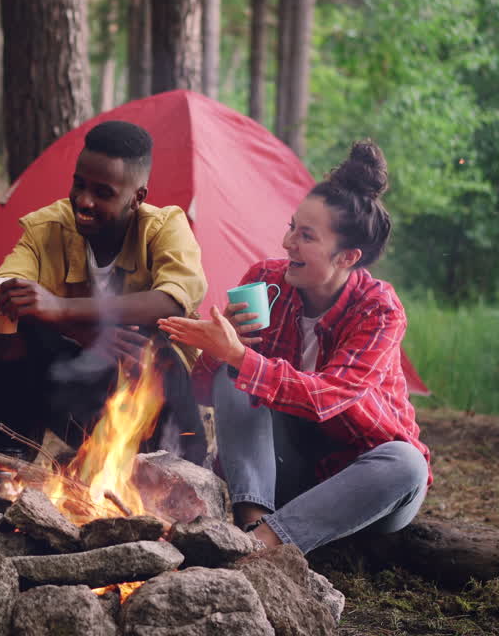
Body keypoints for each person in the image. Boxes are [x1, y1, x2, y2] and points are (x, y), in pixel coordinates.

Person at [158, 139, 431, 554]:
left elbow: (327, 397)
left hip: (361, 480)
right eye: (291, 227)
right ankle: (250, 528)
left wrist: (238, 355)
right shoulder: (266, 282)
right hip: (283, 471)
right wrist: (218, 351)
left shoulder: (379, 311)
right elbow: (208, 393)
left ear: (346, 257)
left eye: (305, 236)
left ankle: (267, 544)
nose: (287, 243)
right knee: (236, 376)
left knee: (408, 463)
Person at [0, 120, 209, 464]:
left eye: (103, 193)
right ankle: (8, 464)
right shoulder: (47, 227)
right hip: (77, 395)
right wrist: (81, 331)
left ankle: (176, 470)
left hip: (154, 408)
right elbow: (7, 292)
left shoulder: (164, 227)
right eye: (79, 184)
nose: (83, 201)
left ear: (137, 198)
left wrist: (61, 308)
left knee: (154, 343)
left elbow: (172, 301)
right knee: (15, 330)